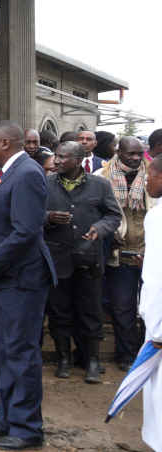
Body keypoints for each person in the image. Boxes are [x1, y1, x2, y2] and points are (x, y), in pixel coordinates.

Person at [0, 122, 54, 450]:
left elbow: (26, 231)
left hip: (22, 280)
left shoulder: (28, 174)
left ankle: (27, 427)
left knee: (20, 352)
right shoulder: (5, 172)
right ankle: (7, 418)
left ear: (4, 143)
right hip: (4, 277)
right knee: (6, 350)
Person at [44, 141, 121, 384]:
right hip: (57, 260)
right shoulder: (46, 184)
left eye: (62, 157)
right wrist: (48, 218)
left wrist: (99, 228)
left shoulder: (100, 185)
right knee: (59, 312)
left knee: (90, 312)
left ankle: (92, 360)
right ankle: (63, 358)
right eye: (56, 156)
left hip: (88, 259)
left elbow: (113, 215)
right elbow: (31, 215)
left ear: (78, 161)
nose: (56, 161)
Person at [95, 136, 153, 371]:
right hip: (119, 254)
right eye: (131, 154)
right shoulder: (102, 177)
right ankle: (127, 355)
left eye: (140, 154)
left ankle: (147, 354)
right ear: (119, 152)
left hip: (149, 254)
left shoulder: (154, 175)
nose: (136, 158)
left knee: (151, 307)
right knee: (122, 307)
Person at [136, 156, 162, 450]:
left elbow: (157, 277)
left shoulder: (157, 216)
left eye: (150, 176)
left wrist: (156, 329)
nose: (146, 181)